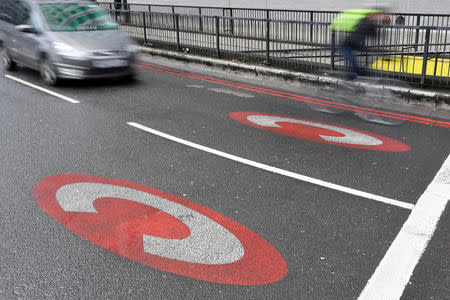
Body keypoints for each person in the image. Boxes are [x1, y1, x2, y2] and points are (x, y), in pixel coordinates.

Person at [331, 7, 390, 79]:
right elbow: (365, 33)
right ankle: (350, 78)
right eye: (374, 15)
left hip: (353, 45)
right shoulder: (364, 21)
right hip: (346, 45)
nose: (376, 17)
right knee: (354, 65)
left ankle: (353, 77)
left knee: (355, 65)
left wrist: (384, 22)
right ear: (370, 15)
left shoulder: (370, 24)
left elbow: (375, 35)